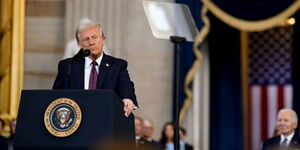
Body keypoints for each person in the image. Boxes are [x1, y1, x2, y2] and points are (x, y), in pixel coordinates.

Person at [53, 22, 138, 117]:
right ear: (79, 44)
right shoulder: (68, 66)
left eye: (94, 37)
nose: (91, 42)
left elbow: (125, 85)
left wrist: (127, 98)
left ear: (103, 40)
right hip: (75, 120)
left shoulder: (117, 65)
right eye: (86, 39)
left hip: (106, 119)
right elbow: (56, 96)